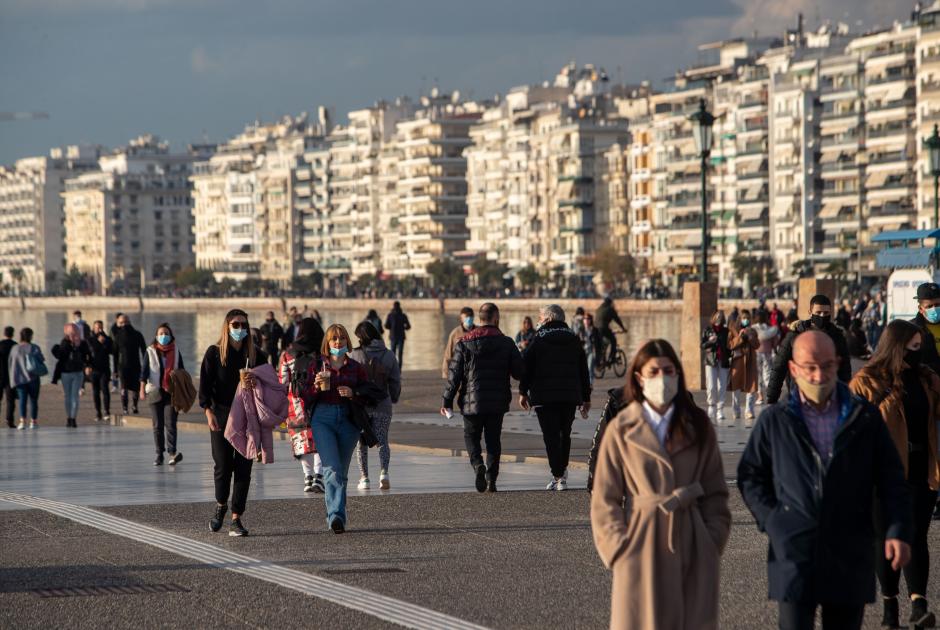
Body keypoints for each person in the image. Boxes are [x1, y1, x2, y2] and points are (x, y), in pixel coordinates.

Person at [738, 330, 913, 630]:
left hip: (850, 550)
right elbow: (750, 475)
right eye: (810, 367)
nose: (819, 376)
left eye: (827, 366)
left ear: (839, 364)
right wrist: (774, 520)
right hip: (794, 552)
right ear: (793, 369)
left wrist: (897, 529)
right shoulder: (776, 421)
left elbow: (891, 478)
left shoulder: (864, 418)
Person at [591, 338, 731, 630]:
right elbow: (605, 499)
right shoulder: (622, 427)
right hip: (641, 544)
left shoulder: (698, 424)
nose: (662, 379)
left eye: (668, 371)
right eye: (653, 372)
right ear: (639, 378)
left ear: (678, 374)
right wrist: (618, 551)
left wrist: (710, 540)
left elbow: (716, 492)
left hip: (692, 541)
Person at [850, 320, 940, 628]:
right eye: (913, 347)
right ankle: (890, 607)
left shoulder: (926, 380)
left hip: (921, 469)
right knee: (884, 539)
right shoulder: (867, 380)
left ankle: (919, 604)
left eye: (921, 347)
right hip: (881, 474)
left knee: (916, 537)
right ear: (896, 346)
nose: (918, 353)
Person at [199, 309, 267, 537]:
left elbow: (270, 383)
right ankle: (221, 505)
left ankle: (236, 517)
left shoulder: (256, 355)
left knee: (244, 468)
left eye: (243, 325)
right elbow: (205, 387)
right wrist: (208, 412)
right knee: (222, 465)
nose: (240, 329)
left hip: (248, 417)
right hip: (221, 414)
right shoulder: (214, 353)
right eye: (235, 325)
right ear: (227, 327)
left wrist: (255, 381)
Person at [442, 303, 524, 493]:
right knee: (493, 440)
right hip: (497, 400)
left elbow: (454, 375)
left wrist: (447, 401)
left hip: (471, 401)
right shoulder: (507, 343)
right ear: (496, 318)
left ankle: (478, 464)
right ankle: (492, 479)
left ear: (480, 319)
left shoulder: (464, 342)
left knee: (471, 436)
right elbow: (519, 372)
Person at [518, 305, 591, 491]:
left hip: (544, 396)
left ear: (548, 319)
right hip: (569, 395)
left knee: (551, 436)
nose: (538, 320)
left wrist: (522, 391)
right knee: (564, 434)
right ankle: (560, 475)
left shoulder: (538, 338)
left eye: (540, 317)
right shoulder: (574, 338)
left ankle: (558, 475)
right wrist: (586, 397)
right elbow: (583, 370)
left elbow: (526, 367)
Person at [307, 324, 370, 533]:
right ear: (327, 342)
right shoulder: (317, 366)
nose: (338, 342)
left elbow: (368, 393)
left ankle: (337, 513)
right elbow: (304, 396)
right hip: (322, 417)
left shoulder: (355, 367)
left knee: (341, 471)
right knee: (331, 468)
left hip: (348, 418)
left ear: (347, 342)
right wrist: (315, 387)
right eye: (334, 338)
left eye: (342, 338)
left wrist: (353, 393)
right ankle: (336, 517)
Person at [765, 294, 851, 405]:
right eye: (818, 312)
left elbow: (845, 370)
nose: (822, 316)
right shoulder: (795, 335)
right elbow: (779, 367)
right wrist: (772, 398)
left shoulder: (837, 337)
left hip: (829, 399)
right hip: (799, 398)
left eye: (826, 313)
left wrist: (845, 397)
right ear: (810, 312)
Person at [349, 321, 401, 491]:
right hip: (382, 404)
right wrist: (393, 397)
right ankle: (384, 473)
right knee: (382, 441)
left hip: (361, 405)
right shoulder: (389, 355)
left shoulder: (355, 355)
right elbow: (395, 381)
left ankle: (364, 478)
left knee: (361, 443)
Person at [278, 317, 326, 494]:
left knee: (300, 441)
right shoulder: (321, 354)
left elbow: (283, 382)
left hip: (295, 404)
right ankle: (319, 477)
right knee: (320, 439)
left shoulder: (287, 354)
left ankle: (307, 477)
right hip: (317, 401)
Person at [140, 323, 184, 467]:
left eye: (166, 333)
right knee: (157, 425)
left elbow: (182, 370)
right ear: (156, 336)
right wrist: (141, 389)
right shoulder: (150, 351)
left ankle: (172, 453)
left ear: (171, 335)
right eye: (161, 333)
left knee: (171, 423)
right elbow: (144, 371)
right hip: (154, 391)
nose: (164, 336)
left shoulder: (176, 350)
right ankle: (159, 454)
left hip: (172, 393)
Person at [585, 386, 626, 493]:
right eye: (653, 371)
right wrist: (594, 485)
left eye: (668, 370)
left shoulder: (675, 404)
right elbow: (600, 446)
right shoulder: (619, 400)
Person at [51, 323, 92, 428]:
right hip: (66, 373)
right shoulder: (64, 343)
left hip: (78, 372)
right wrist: (60, 347)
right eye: (71, 332)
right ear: (66, 333)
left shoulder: (82, 343)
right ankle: (69, 417)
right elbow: (59, 356)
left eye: (75, 331)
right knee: (68, 397)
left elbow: (88, 355)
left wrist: (88, 365)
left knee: (74, 396)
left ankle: (73, 418)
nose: (74, 334)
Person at [728, 311, 760, 426]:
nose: (745, 320)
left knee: (751, 386)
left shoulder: (752, 331)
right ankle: (736, 410)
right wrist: (740, 337)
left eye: (747, 318)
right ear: (740, 319)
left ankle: (749, 410)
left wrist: (751, 338)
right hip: (738, 362)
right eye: (744, 318)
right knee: (736, 386)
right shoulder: (733, 331)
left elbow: (757, 345)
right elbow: (730, 345)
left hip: (750, 361)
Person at [8, 328, 44, 430]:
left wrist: (12, 379)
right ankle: (33, 421)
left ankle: (22, 421)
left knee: (22, 400)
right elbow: (41, 359)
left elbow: (11, 364)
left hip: (20, 379)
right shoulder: (35, 348)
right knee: (33, 401)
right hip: (33, 378)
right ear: (31, 336)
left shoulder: (15, 348)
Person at [112, 313, 147, 415]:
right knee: (125, 387)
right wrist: (115, 370)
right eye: (122, 323)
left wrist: (145, 367)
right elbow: (115, 354)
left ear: (129, 322)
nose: (124, 325)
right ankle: (126, 407)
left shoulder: (136, 334)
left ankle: (132, 406)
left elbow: (144, 351)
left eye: (125, 322)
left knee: (134, 387)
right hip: (124, 366)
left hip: (133, 365)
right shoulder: (119, 336)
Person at [701, 310, 731, 423]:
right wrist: (710, 341)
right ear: (713, 317)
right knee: (711, 386)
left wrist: (730, 356)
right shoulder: (708, 330)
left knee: (722, 386)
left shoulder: (726, 331)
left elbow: (729, 346)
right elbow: (702, 345)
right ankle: (711, 406)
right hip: (711, 361)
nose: (719, 318)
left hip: (723, 361)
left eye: (721, 317)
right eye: (717, 316)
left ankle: (720, 409)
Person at [911, 282, 940, 375]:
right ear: (920, 308)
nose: (934, 309)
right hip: (927, 383)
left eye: (937, 304)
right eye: (929, 306)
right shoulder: (911, 329)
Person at [87, 321, 113, 422]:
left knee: (105, 390)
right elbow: (89, 353)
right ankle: (98, 412)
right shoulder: (90, 340)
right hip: (94, 369)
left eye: (101, 328)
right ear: (93, 329)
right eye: (97, 328)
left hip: (105, 369)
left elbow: (111, 351)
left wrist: (104, 342)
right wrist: (87, 366)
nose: (99, 330)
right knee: (95, 392)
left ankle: (107, 411)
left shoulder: (107, 339)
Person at [441, 307, 475, 379]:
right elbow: (448, 354)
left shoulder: (479, 331)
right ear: (461, 318)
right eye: (466, 317)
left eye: (470, 316)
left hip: (474, 370)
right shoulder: (455, 333)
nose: (468, 319)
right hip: (459, 370)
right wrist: (445, 372)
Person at [752, 311, 778, 405]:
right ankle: (770, 395)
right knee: (767, 375)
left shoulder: (753, 329)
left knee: (758, 376)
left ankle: (760, 397)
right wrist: (775, 349)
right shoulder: (771, 329)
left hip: (756, 354)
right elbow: (775, 343)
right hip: (767, 354)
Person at [594, 296, 626, 364]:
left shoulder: (599, 308)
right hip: (603, 328)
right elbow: (617, 320)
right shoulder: (610, 309)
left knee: (603, 343)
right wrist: (623, 328)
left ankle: (602, 358)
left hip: (596, 329)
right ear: (610, 303)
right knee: (613, 340)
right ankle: (612, 358)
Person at [384, 301, 411, 367]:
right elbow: (408, 326)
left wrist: (391, 327)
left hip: (393, 337)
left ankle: (393, 370)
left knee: (393, 354)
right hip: (401, 337)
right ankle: (398, 370)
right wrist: (403, 327)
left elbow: (386, 325)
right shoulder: (403, 315)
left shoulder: (390, 315)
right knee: (400, 354)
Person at [0, 326, 16, 428]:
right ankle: (9, 420)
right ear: (12, 334)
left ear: (4, 333)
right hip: (11, 376)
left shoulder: (0, 345)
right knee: (10, 400)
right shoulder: (15, 346)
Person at [580, 313, 600, 386]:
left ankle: (590, 384)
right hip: (583, 351)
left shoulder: (594, 330)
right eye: (585, 319)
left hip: (591, 350)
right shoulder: (581, 329)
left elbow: (599, 342)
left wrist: (599, 353)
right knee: (582, 368)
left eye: (588, 319)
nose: (586, 320)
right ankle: (583, 382)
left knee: (590, 367)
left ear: (591, 320)